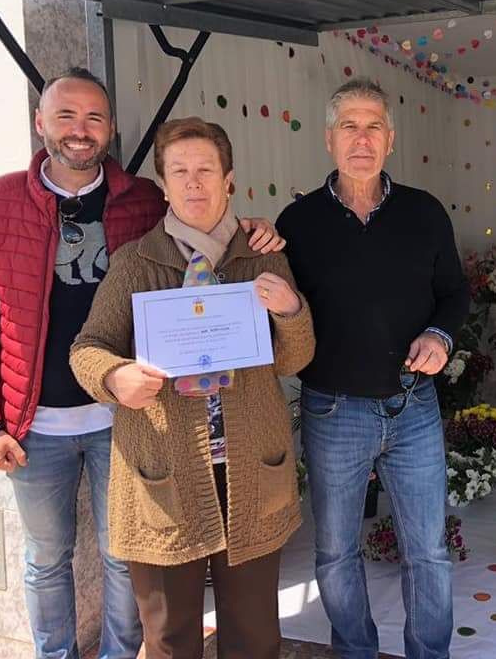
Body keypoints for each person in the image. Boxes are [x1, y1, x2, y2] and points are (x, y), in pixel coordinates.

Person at [0, 68, 285, 659]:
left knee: (126, 559)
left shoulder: (142, 199)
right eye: (65, 116)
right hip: (35, 421)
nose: (79, 130)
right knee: (46, 558)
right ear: (40, 123)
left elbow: (201, 217)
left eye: (94, 118)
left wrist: (256, 232)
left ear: (110, 129)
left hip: (125, 423)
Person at [70, 116, 314, 659]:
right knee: (169, 638)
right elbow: (87, 348)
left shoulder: (263, 256)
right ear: (163, 184)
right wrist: (114, 377)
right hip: (164, 476)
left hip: (252, 470)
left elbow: (293, 359)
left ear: (229, 180)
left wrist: (291, 311)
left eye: (206, 169)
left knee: (254, 635)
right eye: (179, 171)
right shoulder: (135, 262)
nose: (193, 182)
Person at [275, 77, 469, 659]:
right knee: (336, 552)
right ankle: (355, 651)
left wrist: (440, 335)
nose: (362, 139)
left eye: (373, 127)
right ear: (330, 139)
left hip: (413, 404)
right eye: (350, 127)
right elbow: (281, 310)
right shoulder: (298, 222)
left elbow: (454, 293)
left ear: (390, 139)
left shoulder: (424, 212)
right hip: (332, 410)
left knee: (428, 551)